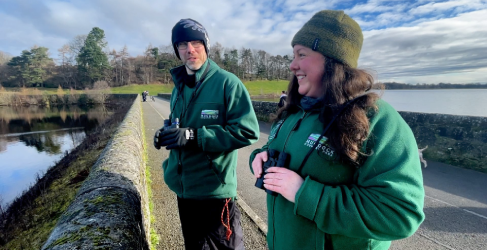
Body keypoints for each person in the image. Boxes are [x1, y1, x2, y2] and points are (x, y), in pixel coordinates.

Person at [250, 10, 425, 250]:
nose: (292, 65)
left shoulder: (376, 119)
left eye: (302, 54)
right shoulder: (295, 111)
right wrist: (259, 156)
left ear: (332, 62)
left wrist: (305, 194)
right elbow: (273, 147)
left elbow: (399, 214)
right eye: (293, 55)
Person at [154, 18, 259, 250]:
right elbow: (179, 125)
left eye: (195, 43)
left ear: (206, 45)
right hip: (184, 191)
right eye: (182, 44)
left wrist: (194, 136)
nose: (189, 49)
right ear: (177, 50)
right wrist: (165, 135)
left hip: (215, 193)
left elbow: (247, 131)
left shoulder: (227, 83)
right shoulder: (178, 87)